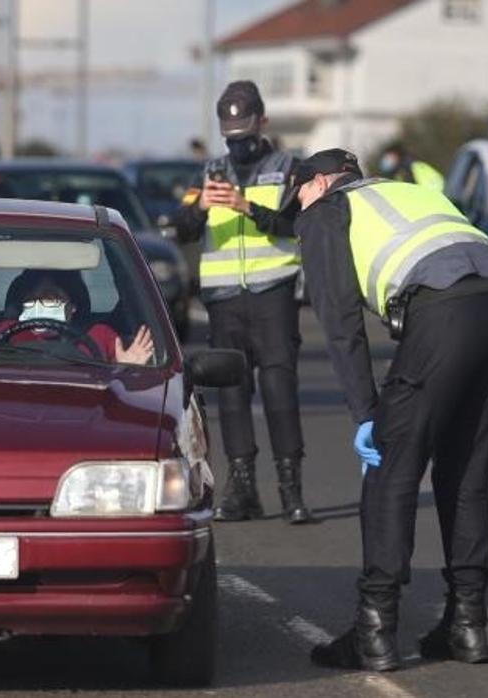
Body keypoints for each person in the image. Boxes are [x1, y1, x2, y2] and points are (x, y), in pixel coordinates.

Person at [279, 149, 488, 672]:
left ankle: (374, 630)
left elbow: (340, 323)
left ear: (321, 181)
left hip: (445, 311)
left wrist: (366, 413)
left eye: (297, 197)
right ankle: (468, 624)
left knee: (391, 467)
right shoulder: (412, 192)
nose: (295, 213)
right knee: (465, 474)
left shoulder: (326, 211)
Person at [173, 81, 312, 524]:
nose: (238, 147)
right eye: (231, 139)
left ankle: (292, 491)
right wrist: (199, 209)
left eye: (246, 137)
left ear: (263, 123)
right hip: (223, 299)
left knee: (278, 389)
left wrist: (245, 205)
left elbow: (295, 225)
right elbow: (182, 229)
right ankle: (243, 490)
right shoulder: (209, 171)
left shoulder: (289, 167)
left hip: (273, 294)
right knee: (232, 394)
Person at [0, 269, 155, 365]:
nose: (40, 304)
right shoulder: (3, 331)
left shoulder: (99, 335)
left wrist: (129, 369)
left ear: (72, 306)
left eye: (51, 298)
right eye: (33, 299)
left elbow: (117, 386)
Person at [377, 142, 444, 191]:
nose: (388, 160)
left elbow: (433, 185)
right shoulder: (398, 173)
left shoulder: (409, 167)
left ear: (397, 155)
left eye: (390, 157)